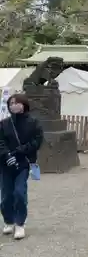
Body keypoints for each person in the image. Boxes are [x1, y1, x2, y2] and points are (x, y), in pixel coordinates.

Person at [0, 94, 44, 240]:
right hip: (6, 164)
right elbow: (1, 142)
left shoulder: (33, 122)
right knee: (6, 196)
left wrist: (20, 151)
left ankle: (20, 223)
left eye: (16, 102)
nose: (13, 105)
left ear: (23, 104)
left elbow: (37, 141)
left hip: (23, 163)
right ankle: (8, 221)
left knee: (19, 192)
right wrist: (7, 155)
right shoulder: (4, 123)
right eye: (11, 103)